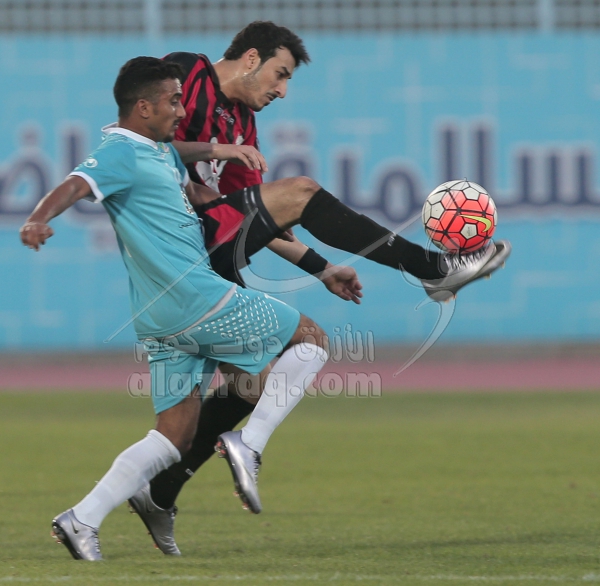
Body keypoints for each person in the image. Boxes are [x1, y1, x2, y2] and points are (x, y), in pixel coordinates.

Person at [127, 21, 512, 556]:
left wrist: (322, 268)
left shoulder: (243, 125)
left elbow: (257, 218)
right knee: (303, 191)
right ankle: (431, 268)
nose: (282, 90)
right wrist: (218, 151)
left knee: (254, 388)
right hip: (174, 239)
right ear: (251, 58)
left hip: (209, 249)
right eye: (280, 74)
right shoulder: (188, 73)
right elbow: (142, 143)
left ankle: (159, 492)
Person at [19, 56, 331, 561]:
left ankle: (81, 519)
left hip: (161, 316)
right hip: (194, 298)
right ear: (144, 107)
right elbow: (76, 183)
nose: (182, 111)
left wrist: (254, 207)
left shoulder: (159, 152)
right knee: (311, 340)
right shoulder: (120, 151)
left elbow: (195, 189)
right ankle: (249, 443)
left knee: (174, 436)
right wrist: (38, 218)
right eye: (173, 101)